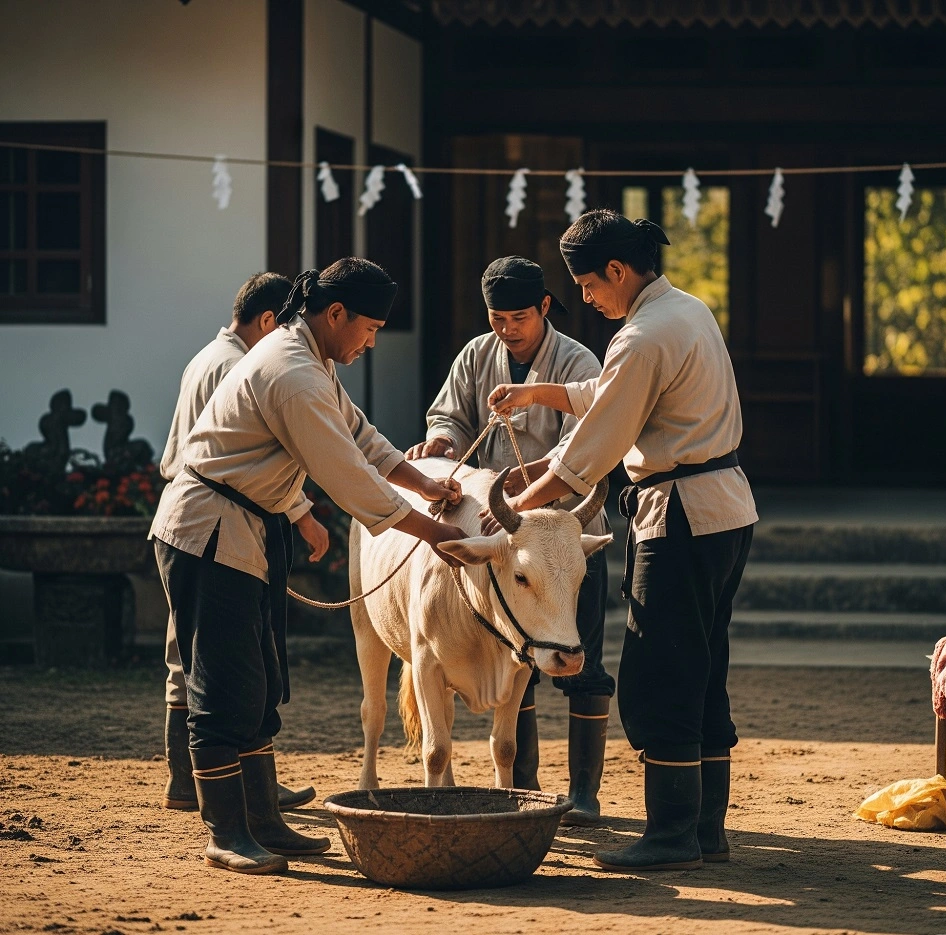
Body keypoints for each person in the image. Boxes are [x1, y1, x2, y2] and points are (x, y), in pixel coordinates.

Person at [151, 258, 466, 875]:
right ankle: (228, 831)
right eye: (368, 328)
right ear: (335, 314)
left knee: (261, 680)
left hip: (246, 530)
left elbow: (365, 441)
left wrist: (423, 484)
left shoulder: (313, 361)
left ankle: (264, 820)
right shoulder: (292, 370)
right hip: (208, 533)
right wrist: (435, 533)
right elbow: (346, 476)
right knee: (225, 683)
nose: (372, 341)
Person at [487, 210, 757, 871]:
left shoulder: (641, 335)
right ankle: (706, 830)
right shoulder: (686, 310)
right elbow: (613, 394)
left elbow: (591, 449)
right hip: (726, 508)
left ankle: (670, 835)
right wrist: (535, 395)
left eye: (586, 286)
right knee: (703, 665)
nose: (586, 299)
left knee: (662, 668)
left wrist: (516, 508)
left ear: (616, 271)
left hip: (682, 513)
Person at [405, 256, 615, 824]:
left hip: (567, 539)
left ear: (545, 307)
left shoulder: (578, 361)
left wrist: (525, 493)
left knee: (580, 660)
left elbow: (583, 452)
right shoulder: (476, 355)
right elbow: (447, 418)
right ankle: (520, 785)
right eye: (497, 318)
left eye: (519, 316)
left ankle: (584, 794)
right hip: (499, 547)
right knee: (516, 652)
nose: (507, 329)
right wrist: (442, 446)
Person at [159, 272, 328, 814]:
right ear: (268, 322)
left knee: (190, 660)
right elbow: (261, 451)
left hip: (197, 517)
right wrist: (303, 516)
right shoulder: (243, 365)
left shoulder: (204, 357)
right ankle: (222, 800)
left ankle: (203, 786)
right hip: (216, 521)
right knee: (222, 667)